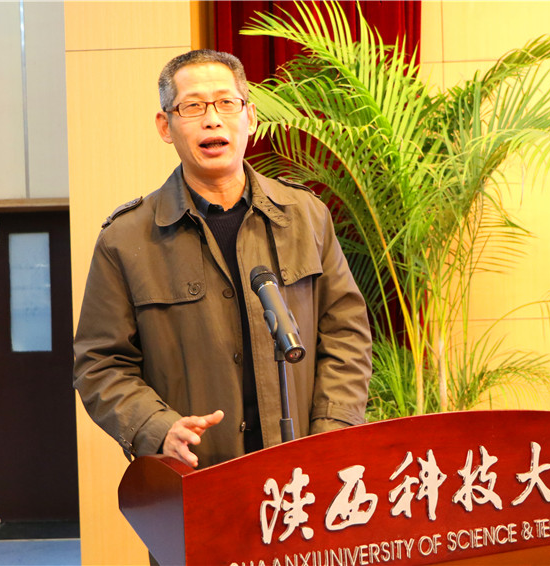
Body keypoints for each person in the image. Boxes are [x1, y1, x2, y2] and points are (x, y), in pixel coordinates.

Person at [73, 50, 372, 471]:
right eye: (192, 106)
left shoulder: (306, 216)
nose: (212, 120)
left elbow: (346, 334)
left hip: (303, 474)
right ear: (165, 126)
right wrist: (159, 429)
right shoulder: (126, 239)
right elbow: (100, 365)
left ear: (250, 116)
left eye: (226, 103)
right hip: (198, 476)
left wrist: (330, 433)